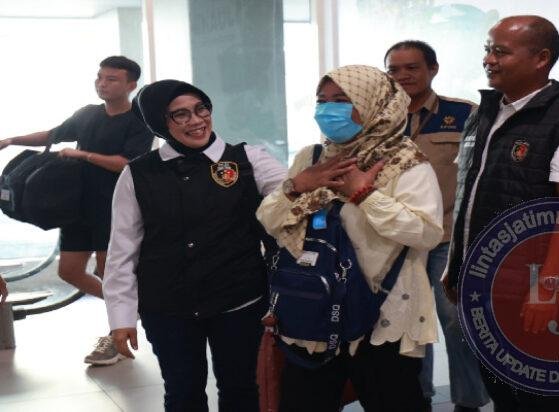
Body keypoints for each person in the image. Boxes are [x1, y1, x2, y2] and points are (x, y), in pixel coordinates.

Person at [442, 15, 559, 411]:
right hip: (479, 277)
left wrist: (547, 289)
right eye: (488, 50)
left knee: (532, 385)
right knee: (496, 380)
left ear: (541, 58)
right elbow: (468, 195)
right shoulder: (483, 113)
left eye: (501, 51)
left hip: (531, 282)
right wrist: (455, 263)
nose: (489, 59)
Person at [257, 65, 444, 412]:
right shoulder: (312, 158)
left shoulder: (406, 162)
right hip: (312, 307)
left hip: (381, 312)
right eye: (322, 100)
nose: (328, 109)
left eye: (342, 100)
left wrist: (365, 195)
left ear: (374, 103)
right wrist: (297, 186)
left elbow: (426, 233)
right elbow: (269, 220)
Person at [103, 79, 287, 412]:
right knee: (182, 392)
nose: (196, 120)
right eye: (181, 114)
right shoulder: (138, 174)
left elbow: (293, 195)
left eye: (201, 109)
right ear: (160, 123)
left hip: (239, 299)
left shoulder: (247, 160)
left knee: (241, 388)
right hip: (167, 305)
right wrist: (121, 316)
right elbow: (122, 249)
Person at [0, 56, 153, 365]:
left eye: (111, 79)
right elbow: (52, 135)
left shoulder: (139, 121)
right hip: (77, 207)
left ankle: (116, 336)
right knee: (69, 271)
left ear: (131, 85)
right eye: (100, 77)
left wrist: (83, 155)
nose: (102, 83)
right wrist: (13, 139)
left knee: (109, 273)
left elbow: (127, 164)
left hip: (114, 208)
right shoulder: (87, 114)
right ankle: (131, 310)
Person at [385, 40, 489, 412]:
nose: (402, 76)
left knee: (456, 321)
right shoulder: (378, 120)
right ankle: (418, 398)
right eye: (394, 70)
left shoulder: (465, 114)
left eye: (411, 67)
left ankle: (468, 401)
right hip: (397, 240)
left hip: (448, 237)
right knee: (408, 323)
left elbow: (481, 174)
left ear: (433, 69)